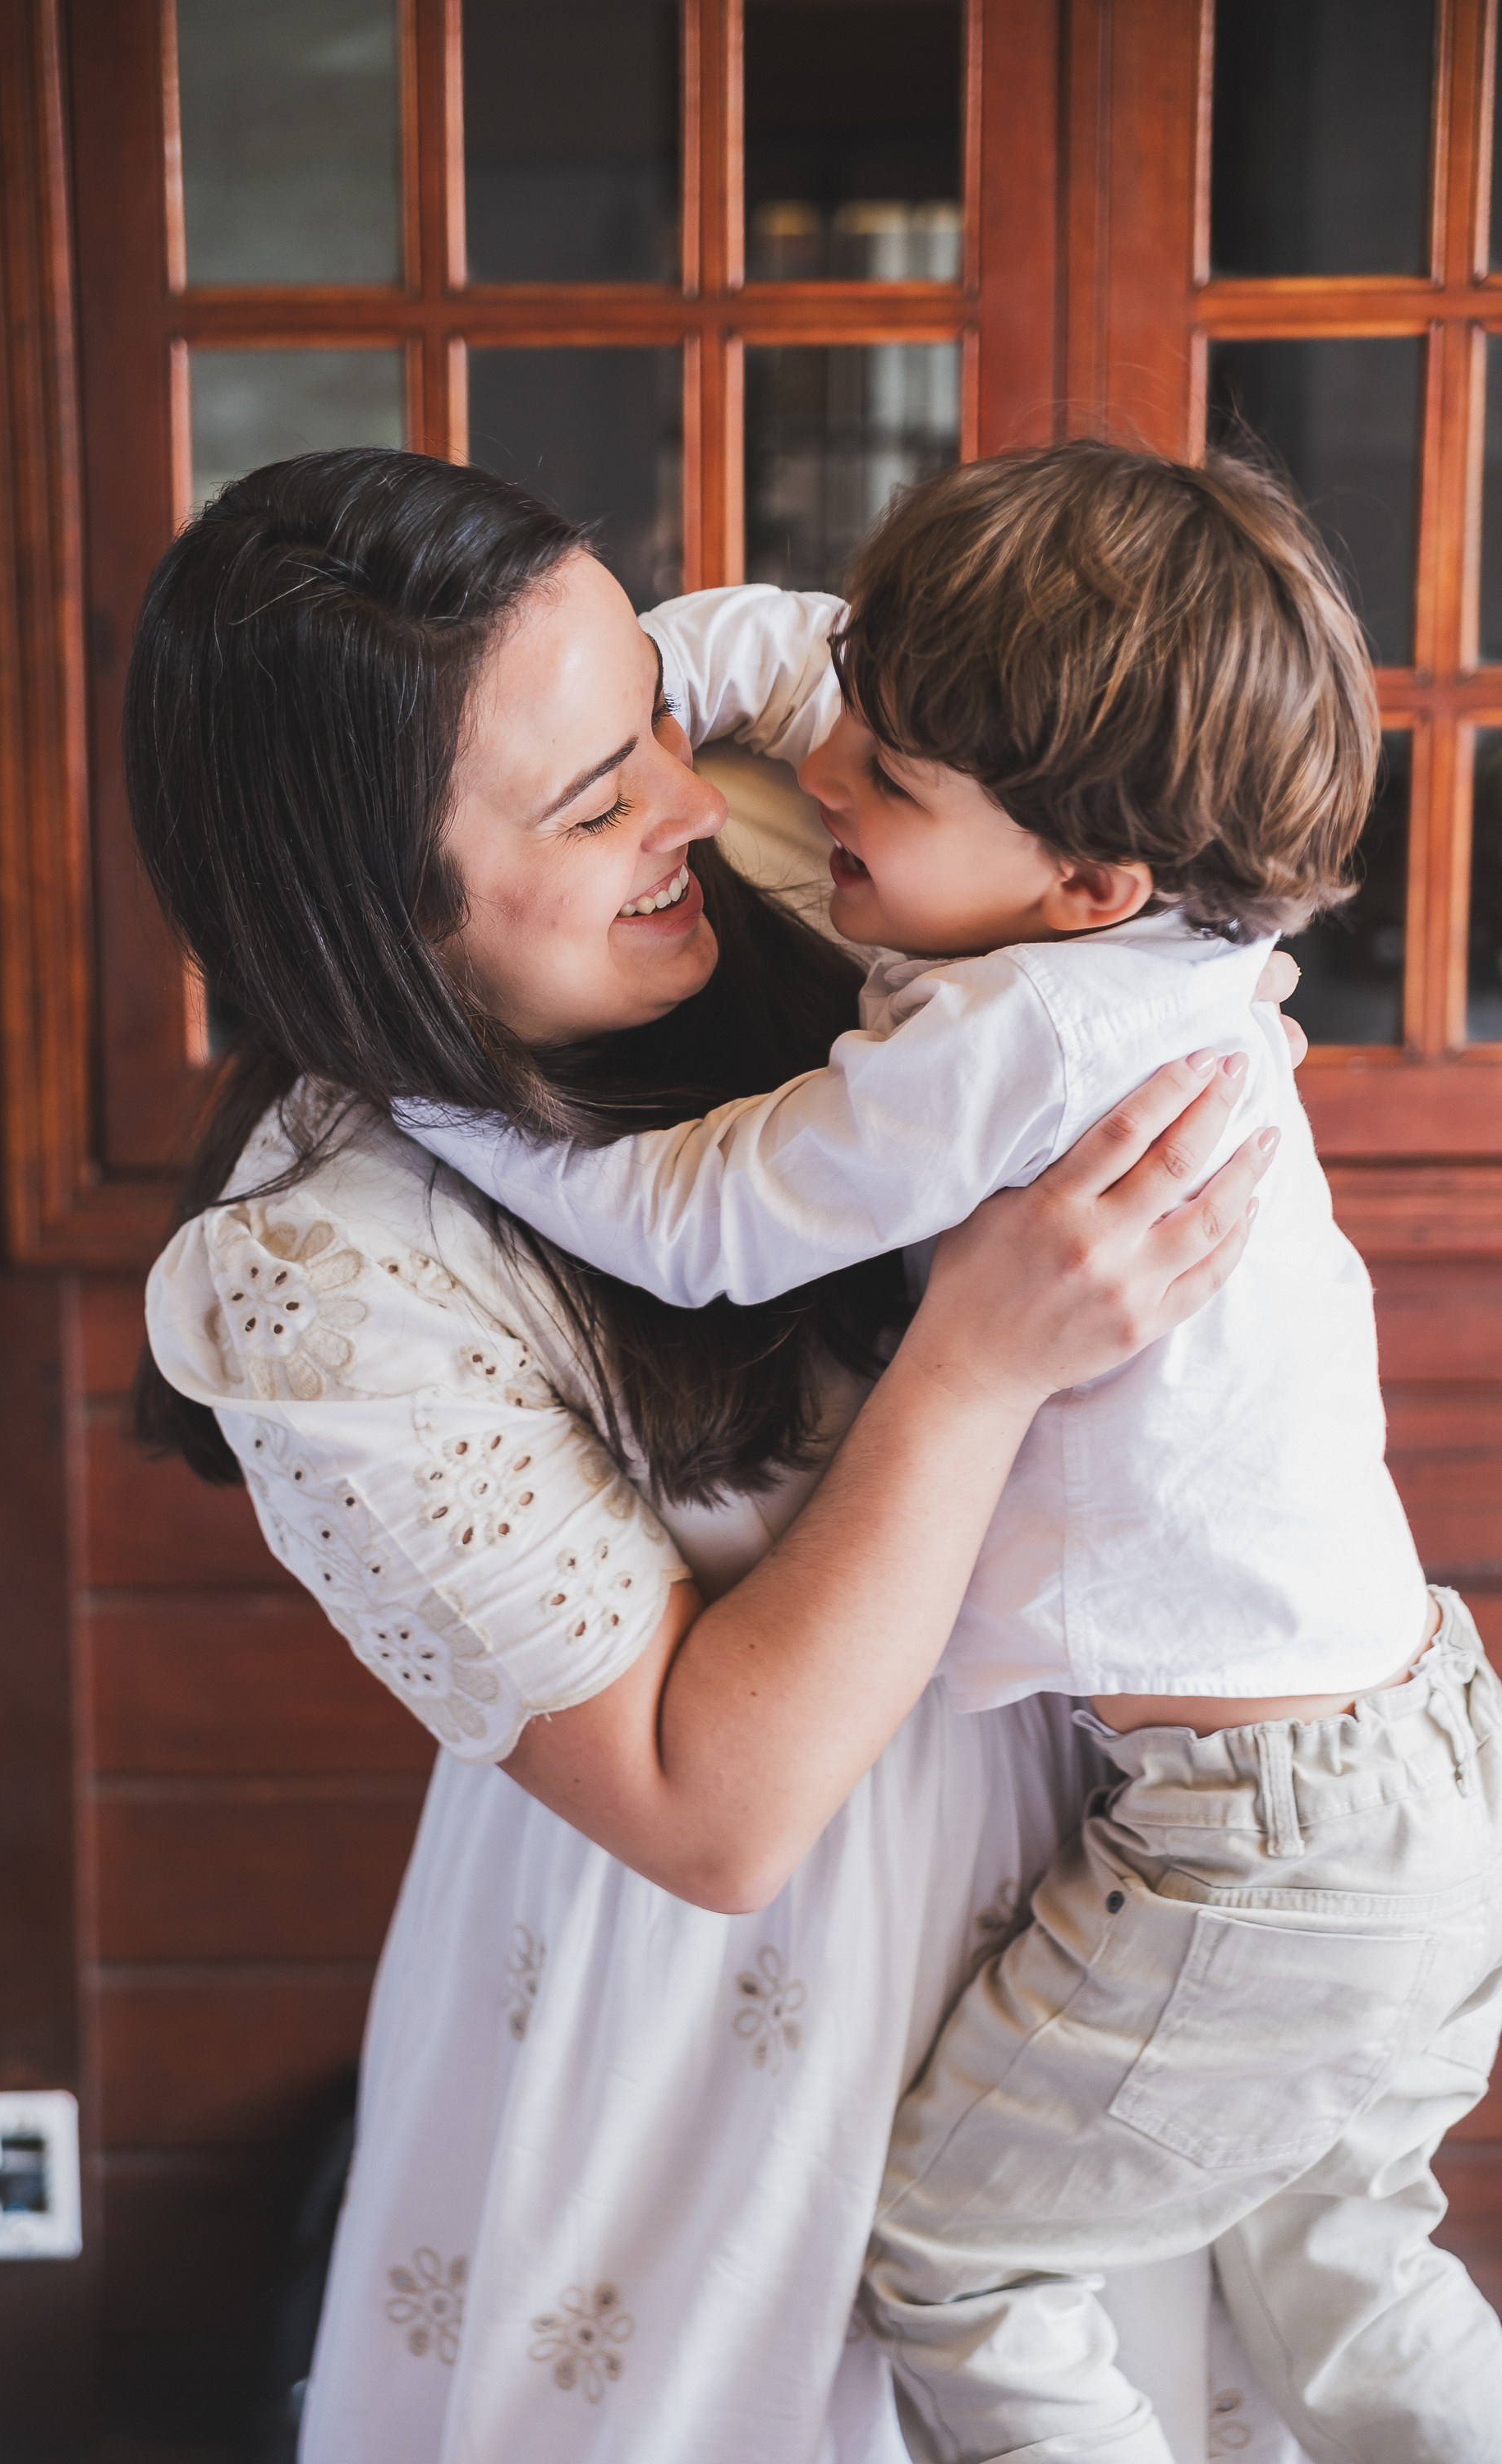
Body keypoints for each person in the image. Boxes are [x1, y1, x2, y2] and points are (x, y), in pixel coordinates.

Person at [133, 447, 1288, 2464]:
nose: (688, 791)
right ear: (372, 906)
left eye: (652, 713)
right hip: (715, 2017)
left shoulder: (783, 845)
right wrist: (975, 1364)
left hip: (1090, 1915)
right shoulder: (316, 1273)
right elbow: (708, 1808)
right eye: (594, 800)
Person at [404, 441, 1502, 2463]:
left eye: (888, 789)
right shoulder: (1100, 856)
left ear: (1082, 888)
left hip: (1247, 1839)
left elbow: (701, 1225)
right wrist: (568, 715)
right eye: (864, 735)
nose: (823, 776)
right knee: (1342, 2272)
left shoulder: (1024, 1045)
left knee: (959, 2273)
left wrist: (441, 1105)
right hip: (1410, 1755)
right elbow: (796, 655)